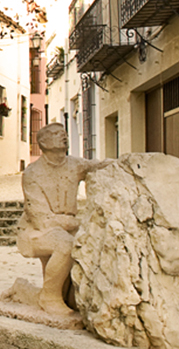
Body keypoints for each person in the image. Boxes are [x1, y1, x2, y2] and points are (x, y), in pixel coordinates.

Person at [18, 123, 111, 316]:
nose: (63, 136)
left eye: (64, 133)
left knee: (70, 292)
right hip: (36, 232)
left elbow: (100, 165)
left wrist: (128, 162)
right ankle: (49, 297)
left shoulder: (75, 165)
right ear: (42, 142)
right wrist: (77, 222)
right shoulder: (32, 173)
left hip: (66, 229)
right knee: (66, 245)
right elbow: (42, 219)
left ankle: (25, 290)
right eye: (56, 133)